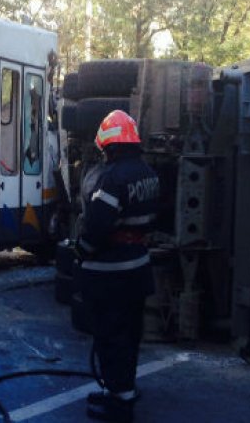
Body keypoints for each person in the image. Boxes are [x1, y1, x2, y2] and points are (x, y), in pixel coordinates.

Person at [76, 110, 159, 422]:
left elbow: (97, 227)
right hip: (138, 267)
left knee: (110, 337)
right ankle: (122, 390)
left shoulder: (112, 177)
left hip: (111, 273)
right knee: (129, 334)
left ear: (108, 145)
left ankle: (119, 405)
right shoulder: (147, 173)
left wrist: (80, 253)